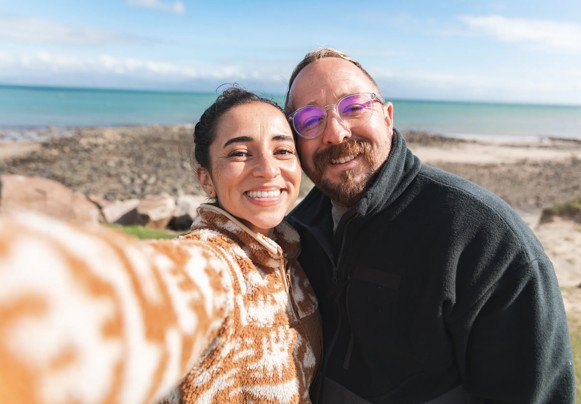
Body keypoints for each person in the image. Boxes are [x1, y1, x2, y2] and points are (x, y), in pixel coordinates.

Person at [284, 48, 574, 403]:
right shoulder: (293, 235)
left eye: (354, 107)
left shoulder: (484, 238)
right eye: (310, 119)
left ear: (388, 118)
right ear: (294, 141)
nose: (335, 132)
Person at [0, 87, 321, 403]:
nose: (267, 169)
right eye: (239, 153)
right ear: (205, 178)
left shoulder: (296, 256)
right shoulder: (214, 264)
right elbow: (151, 287)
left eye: (282, 151)